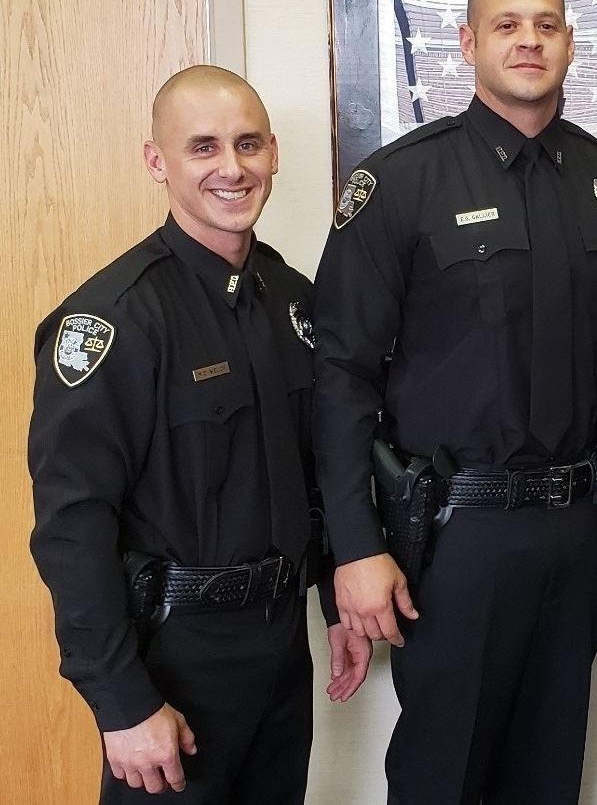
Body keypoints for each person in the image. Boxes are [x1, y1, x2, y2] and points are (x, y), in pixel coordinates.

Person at [312, 0, 597, 804]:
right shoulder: (401, 182)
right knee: (444, 775)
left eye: (545, 25)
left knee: (548, 775)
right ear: (468, 44)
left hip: (573, 531)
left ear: (570, 43)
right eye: (507, 25)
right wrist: (353, 546)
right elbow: (340, 375)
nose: (528, 41)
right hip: (452, 538)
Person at [29, 65, 371, 804]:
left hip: (280, 647)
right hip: (174, 660)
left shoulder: (291, 300)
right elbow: (72, 530)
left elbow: (313, 471)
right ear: (158, 162)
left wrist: (333, 602)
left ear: (274, 153)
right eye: (203, 147)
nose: (232, 168)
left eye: (248, 144)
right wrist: (121, 703)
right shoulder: (115, 320)